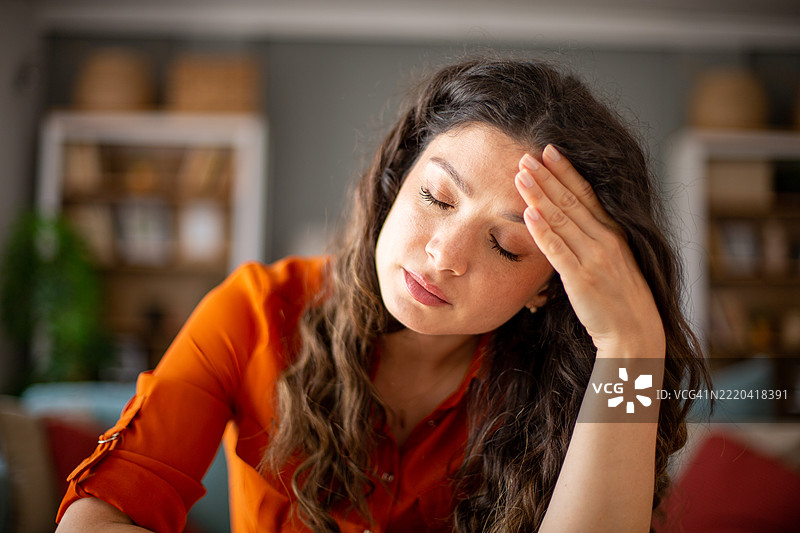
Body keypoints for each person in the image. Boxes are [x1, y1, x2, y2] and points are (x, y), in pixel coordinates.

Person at [55, 56, 709, 533]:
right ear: (396, 181)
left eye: (507, 246)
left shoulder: (561, 385)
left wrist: (631, 344)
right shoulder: (256, 311)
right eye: (436, 197)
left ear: (554, 285)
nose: (442, 254)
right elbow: (97, 515)